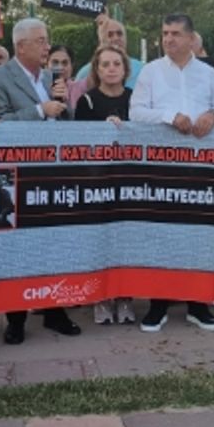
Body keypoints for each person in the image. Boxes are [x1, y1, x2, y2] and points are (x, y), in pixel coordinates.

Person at [0, 19, 81, 344]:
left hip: (53, 173)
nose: (47, 46)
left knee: (54, 244)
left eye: (47, 40)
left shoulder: (52, 77)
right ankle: (16, 318)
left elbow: (66, 121)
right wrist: (39, 109)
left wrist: (62, 105)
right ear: (21, 46)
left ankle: (54, 311)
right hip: (18, 175)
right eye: (41, 41)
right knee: (18, 247)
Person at [129, 14, 214, 333]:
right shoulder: (151, 72)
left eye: (175, 34)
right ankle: (158, 303)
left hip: (202, 168)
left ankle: (198, 304)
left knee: (198, 233)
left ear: (191, 38)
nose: (168, 39)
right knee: (161, 233)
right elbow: (135, 112)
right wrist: (170, 116)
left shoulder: (209, 74)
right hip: (162, 167)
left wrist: (213, 115)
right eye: (164, 33)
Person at [74, 45, 137, 325]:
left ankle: (125, 297)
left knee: (125, 240)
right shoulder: (86, 101)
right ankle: (100, 298)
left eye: (116, 64)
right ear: (96, 70)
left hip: (128, 182)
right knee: (99, 239)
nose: (111, 69)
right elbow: (80, 143)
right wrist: (103, 129)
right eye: (105, 64)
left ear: (125, 69)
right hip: (97, 181)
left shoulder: (136, 99)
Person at [74, 14, 145, 89]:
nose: (116, 38)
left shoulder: (142, 69)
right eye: (110, 35)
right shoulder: (86, 72)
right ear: (101, 40)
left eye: (119, 34)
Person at [47, 44, 85, 109]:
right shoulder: (38, 88)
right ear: (46, 65)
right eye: (55, 62)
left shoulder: (81, 89)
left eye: (65, 63)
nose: (60, 67)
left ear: (72, 66)